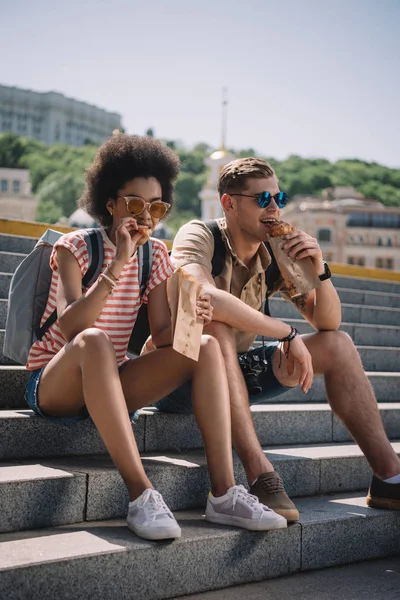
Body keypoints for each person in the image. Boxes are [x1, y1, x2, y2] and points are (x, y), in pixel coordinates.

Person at [24, 138, 287, 541]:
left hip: (112, 382)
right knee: (94, 340)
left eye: (157, 206)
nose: (146, 215)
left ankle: (224, 493)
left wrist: (193, 321)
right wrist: (116, 266)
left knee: (207, 345)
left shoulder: (157, 257)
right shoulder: (73, 246)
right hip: (56, 380)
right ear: (109, 203)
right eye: (135, 204)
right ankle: (141, 494)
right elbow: (73, 329)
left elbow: (164, 338)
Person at [153, 156, 400, 519]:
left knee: (339, 345)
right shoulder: (200, 233)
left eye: (279, 199)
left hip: (235, 372)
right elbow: (205, 296)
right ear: (229, 203)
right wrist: (287, 332)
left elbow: (327, 321)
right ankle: (260, 474)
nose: (274, 208)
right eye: (263, 199)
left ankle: (389, 477)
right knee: (214, 325)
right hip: (180, 374)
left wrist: (321, 269)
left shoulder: (275, 249)